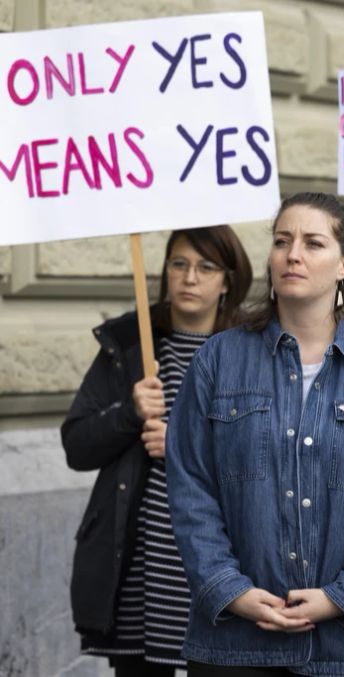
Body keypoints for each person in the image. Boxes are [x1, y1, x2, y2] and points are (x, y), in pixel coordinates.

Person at [166, 192, 344, 677]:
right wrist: (229, 589)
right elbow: (189, 486)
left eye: (313, 243)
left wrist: (342, 597)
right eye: (282, 241)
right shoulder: (218, 360)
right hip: (235, 643)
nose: (293, 254)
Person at [62, 226, 253, 676]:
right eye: (179, 264)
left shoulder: (248, 353)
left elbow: (271, 458)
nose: (189, 278)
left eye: (206, 268)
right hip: (137, 572)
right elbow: (76, 444)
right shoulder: (131, 343)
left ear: (227, 281)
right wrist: (127, 412)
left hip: (215, 569)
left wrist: (182, 447)